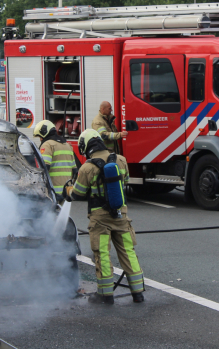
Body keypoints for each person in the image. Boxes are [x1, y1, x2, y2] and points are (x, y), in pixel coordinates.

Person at [66, 129, 144, 305]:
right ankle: (138, 292)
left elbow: (77, 194)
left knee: (102, 254)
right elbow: (126, 181)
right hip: (122, 215)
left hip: (100, 218)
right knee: (128, 252)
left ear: (86, 146)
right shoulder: (121, 160)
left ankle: (105, 295)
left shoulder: (87, 167)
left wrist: (67, 189)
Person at [32, 120, 77, 200]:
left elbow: (44, 168)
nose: (40, 140)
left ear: (44, 133)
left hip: (53, 192)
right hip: (66, 192)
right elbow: (75, 170)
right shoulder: (67, 145)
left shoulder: (47, 145)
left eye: (40, 137)